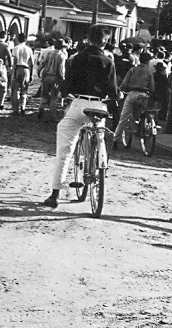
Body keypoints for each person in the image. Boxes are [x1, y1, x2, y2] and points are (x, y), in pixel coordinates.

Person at [41, 24, 118, 208]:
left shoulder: (75, 59)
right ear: (105, 41)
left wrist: (67, 94)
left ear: (87, 39)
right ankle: (100, 161)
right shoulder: (108, 62)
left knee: (65, 149)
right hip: (99, 106)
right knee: (99, 134)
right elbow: (113, 91)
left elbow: (68, 86)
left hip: (79, 104)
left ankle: (55, 193)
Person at [113, 51, 155, 148]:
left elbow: (124, 84)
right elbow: (152, 88)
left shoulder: (133, 70)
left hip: (132, 94)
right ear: (148, 61)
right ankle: (141, 129)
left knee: (123, 118)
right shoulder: (149, 72)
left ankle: (115, 140)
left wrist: (120, 90)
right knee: (143, 113)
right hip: (143, 95)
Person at [37, 38, 67, 119]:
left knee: (44, 94)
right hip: (55, 77)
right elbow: (61, 69)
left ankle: (41, 109)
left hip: (46, 75)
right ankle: (52, 115)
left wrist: (38, 71)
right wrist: (62, 78)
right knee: (54, 97)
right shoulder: (62, 55)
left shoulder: (49, 53)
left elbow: (43, 63)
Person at [10, 33, 34, 115]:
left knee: (16, 89)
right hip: (26, 69)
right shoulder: (29, 49)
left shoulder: (16, 48)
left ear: (18, 39)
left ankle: (16, 109)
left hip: (18, 68)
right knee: (24, 89)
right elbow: (32, 63)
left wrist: (13, 73)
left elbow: (15, 61)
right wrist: (31, 74)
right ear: (25, 40)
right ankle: (23, 107)